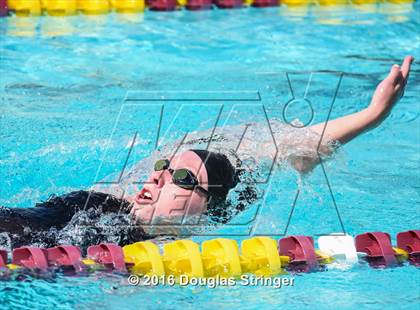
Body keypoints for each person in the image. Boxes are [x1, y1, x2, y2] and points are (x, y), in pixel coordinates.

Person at [0, 56, 414, 250]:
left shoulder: (164, 238)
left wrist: (373, 115)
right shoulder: (123, 198)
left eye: (182, 180)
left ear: (209, 211)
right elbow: (283, 146)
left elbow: (299, 154)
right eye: (164, 168)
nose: (158, 177)